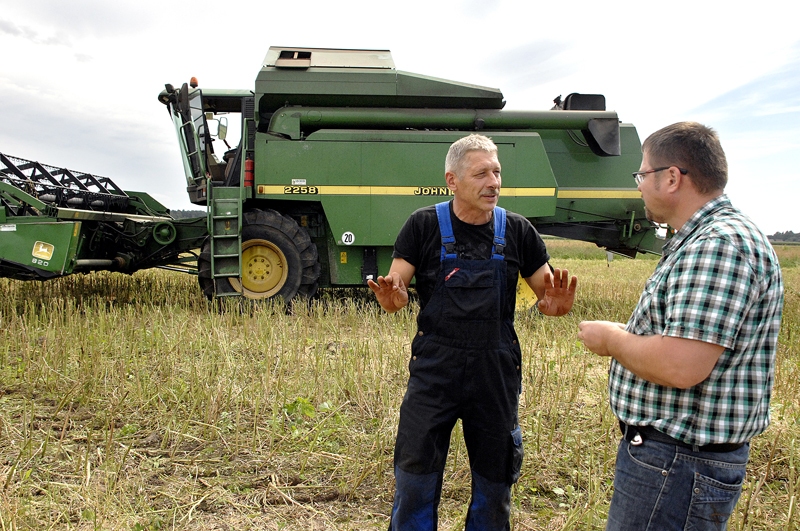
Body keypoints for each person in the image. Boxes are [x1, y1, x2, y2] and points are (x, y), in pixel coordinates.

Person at [577, 122, 784, 531]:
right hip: (674, 460)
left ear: (672, 177)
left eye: (642, 174)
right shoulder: (704, 238)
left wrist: (612, 340)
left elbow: (681, 366)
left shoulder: (718, 245)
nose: (638, 185)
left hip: (677, 463)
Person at [368, 134, 577, 530]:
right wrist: (392, 300)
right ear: (452, 180)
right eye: (481, 173)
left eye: (496, 172)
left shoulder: (517, 231)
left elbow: (547, 296)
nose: (493, 182)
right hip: (434, 369)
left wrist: (554, 307)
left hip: (495, 370)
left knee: (495, 479)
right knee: (415, 473)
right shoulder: (423, 225)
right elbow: (396, 290)